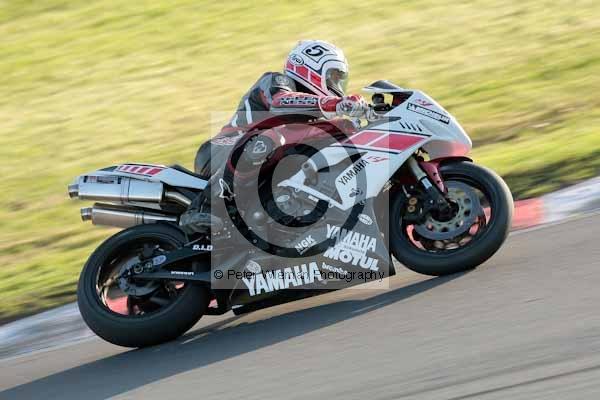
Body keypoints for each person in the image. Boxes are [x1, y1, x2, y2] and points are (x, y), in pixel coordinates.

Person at [181, 40, 369, 233]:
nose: (337, 85)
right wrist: (334, 104)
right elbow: (280, 103)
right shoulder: (277, 81)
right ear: (311, 69)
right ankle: (203, 207)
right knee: (268, 139)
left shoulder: (312, 115)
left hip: (256, 163)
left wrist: (355, 126)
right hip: (223, 147)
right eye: (333, 77)